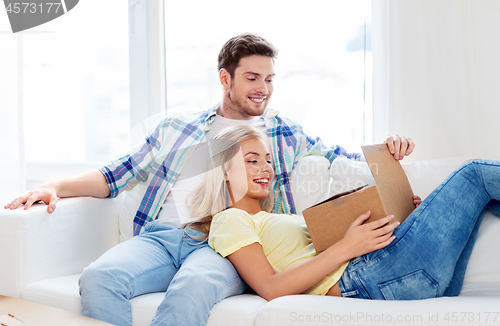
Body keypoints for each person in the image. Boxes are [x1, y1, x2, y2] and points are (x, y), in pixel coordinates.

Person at [4, 33, 414, 325]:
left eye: (269, 79)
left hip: (230, 247)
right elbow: (116, 174)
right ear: (226, 78)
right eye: (252, 78)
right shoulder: (176, 128)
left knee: (192, 290)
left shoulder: (285, 132)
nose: (263, 89)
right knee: (98, 278)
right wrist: (55, 186)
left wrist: (389, 150)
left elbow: (346, 160)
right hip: (163, 238)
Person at [199, 125, 500, 301]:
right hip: (364, 281)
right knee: (474, 175)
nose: (265, 168)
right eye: (252, 161)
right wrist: (347, 247)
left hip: (404, 274)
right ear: (223, 171)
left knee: (480, 197)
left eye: (266, 159)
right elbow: (270, 288)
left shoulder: (282, 216)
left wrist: (411, 218)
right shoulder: (230, 219)